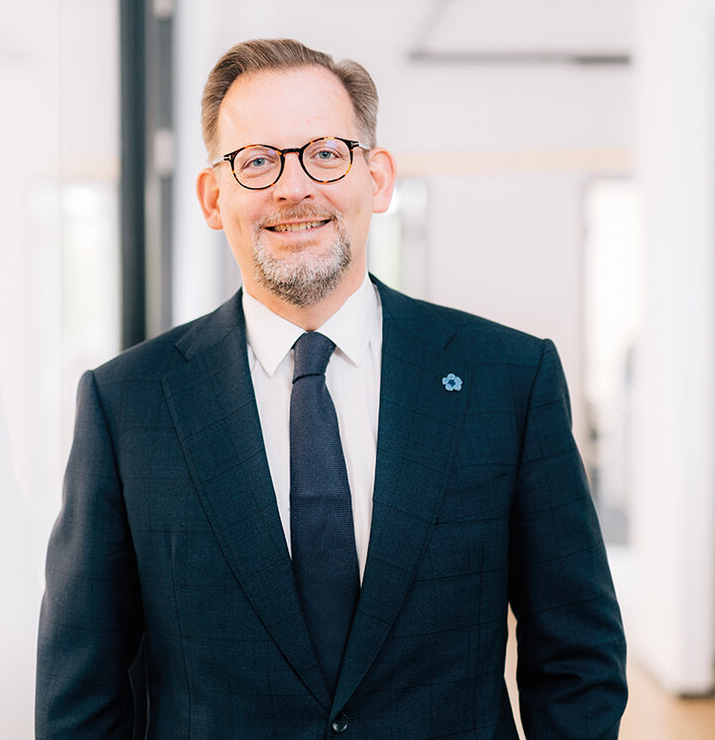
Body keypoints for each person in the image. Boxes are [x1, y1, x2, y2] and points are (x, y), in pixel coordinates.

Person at [36, 38, 627, 739]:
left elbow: (578, 660)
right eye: (256, 161)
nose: (293, 187)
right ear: (211, 196)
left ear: (376, 179)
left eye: (325, 152)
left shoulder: (508, 379)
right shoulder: (126, 404)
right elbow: (82, 689)